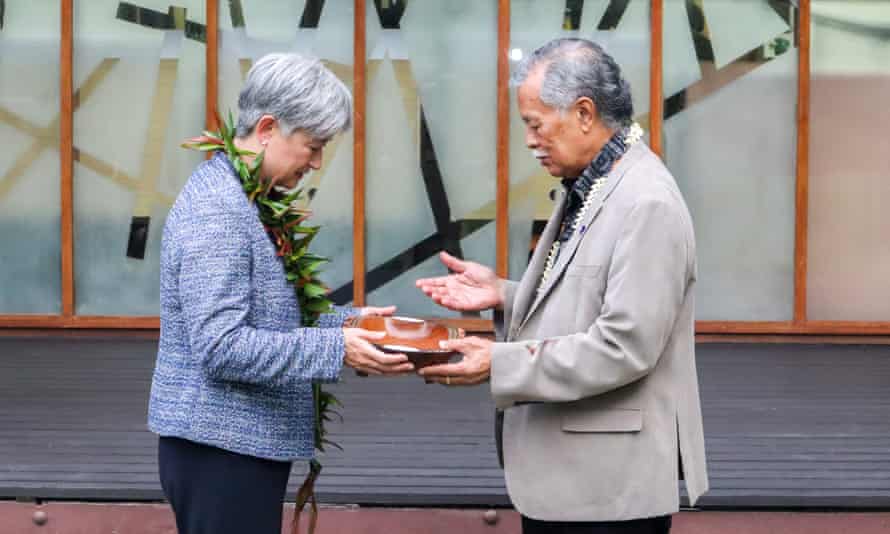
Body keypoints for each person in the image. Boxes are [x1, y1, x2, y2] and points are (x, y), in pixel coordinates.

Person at [416, 38, 708, 534]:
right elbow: (590, 294)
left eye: (535, 123)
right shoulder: (598, 179)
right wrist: (505, 293)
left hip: (607, 494)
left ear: (585, 113)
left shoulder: (646, 201)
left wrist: (498, 362)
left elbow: (624, 346)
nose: (529, 140)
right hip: (578, 482)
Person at [147, 53, 413, 534]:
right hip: (219, 452)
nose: (317, 162)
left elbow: (270, 319)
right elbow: (222, 346)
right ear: (267, 127)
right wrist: (338, 347)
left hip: (235, 447)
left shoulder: (246, 196)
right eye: (313, 146)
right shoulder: (219, 210)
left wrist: (351, 324)